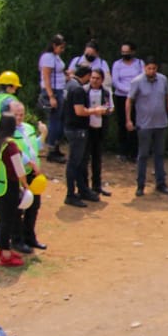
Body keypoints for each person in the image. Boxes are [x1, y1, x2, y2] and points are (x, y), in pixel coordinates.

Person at [126, 58, 168, 196]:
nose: (152, 71)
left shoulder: (163, 80)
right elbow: (129, 101)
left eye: (154, 68)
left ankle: (161, 183)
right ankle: (140, 185)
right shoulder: (137, 82)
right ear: (145, 68)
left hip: (161, 123)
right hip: (144, 124)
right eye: (149, 68)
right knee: (143, 155)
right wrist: (128, 119)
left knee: (159, 154)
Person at [0, 113, 34, 267]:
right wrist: (25, 185)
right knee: (8, 220)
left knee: (4, 218)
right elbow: (19, 168)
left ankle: (4, 249)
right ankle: (5, 253)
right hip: (10, 186)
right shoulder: (10, 145)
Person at [7, 98, 47, 254]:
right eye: (16, 114)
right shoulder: (8, 131)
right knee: (19, 207)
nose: (19, 117)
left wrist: (43, 134)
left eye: (21, 114)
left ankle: (30, 237)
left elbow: (35, 146)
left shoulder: (28, 128)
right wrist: (29, 162)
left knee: (34, 205)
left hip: (33, 174)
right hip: (18, 174)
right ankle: (17, 240)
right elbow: (14, 150)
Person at [60, 63, 97, 207]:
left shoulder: (69, 85)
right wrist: (95, 110)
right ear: (87, 76)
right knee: (75, 162)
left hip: (70, 127)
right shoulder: (78, 89)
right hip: (77, 130)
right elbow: (80, 111)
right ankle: (71, 194)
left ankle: (82, 189)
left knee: (80, 162)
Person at [109, 43, 143, 162]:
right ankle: (123, 151)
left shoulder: (139, 63)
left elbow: (141, 78)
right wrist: (128, 90)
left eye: (127, 52)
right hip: (121, 96)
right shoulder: (117, 65)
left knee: (135, 123)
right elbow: (115, 81)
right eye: (123, 52)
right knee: (122, 123)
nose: (125, 55)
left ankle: (134, 152)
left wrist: (134, 92)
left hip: (136, 97)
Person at [38, 34, 68, 161]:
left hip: (60, 89)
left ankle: (55, 147)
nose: (62, 50)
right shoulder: (48, 58)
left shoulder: (56, 57)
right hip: (53, 91)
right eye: (60, 47)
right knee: (54, 121)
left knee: (59, 121)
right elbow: (46, 77)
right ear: (54, 46)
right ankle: (51, 150)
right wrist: (51, 96)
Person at [85, 68, 113, 197]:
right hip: (86, 128)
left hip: (100, 128)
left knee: (97, 159)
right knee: (84, 159)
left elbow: (110, 108)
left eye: (97, 78)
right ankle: (84, 187)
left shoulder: (106, 92)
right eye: (92, 77)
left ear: (102, 80)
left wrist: (104, 111)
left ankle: (97, 186)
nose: (94, 80)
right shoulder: (84, 90)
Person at [0, 71, 22, 136]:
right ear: (9, 87)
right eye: (15, 87)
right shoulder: (11, 101)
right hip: (7, 138)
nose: (15, 89)